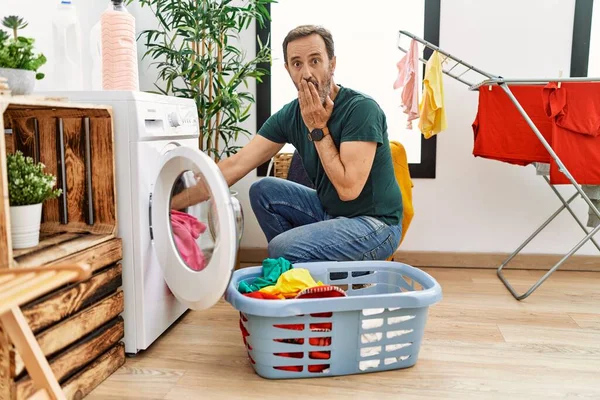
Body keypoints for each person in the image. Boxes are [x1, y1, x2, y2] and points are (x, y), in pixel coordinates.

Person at [171, 24, 403, 263]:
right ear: (288, 69)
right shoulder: (290, 115)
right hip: (330, 213)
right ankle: (303, 270)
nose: (306, 74)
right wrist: (169, 205)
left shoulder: (361, 109)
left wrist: (317, 129)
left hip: (376, 226)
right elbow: (237, 164)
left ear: (332, 64)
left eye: (315, 61)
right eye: (297, 64)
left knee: (281, 248)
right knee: (263, 191)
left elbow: (348, 189)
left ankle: (297, 265)